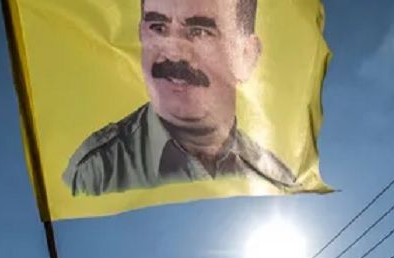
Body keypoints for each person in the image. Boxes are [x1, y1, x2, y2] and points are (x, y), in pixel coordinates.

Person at [63, 0, 297, 196]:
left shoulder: (275, 183)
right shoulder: (97, 173)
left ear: (246, 55)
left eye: (200, 31)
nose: (173, 53)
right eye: (158, 28)